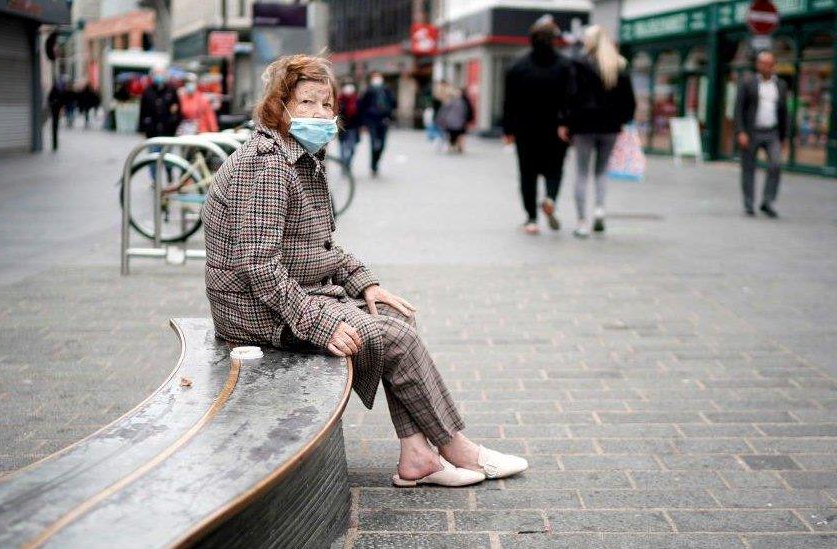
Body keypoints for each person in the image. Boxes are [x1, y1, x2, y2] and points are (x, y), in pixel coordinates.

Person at [202, 54, 528, 487]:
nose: (320, 114)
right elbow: (258, 266)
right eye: (306, 103)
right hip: (250, 310)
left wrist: (365, 283)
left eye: (325, 104)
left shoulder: (299, 157)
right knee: (389, 336)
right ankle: (456, 448)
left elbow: (319, 247)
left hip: (285, 292)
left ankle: (416, 455)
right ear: (280, 107)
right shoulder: (266, 166)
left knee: (392, 317)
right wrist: (317, 322)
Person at [562, 25, 635, 236]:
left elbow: (571, 96)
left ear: (590, 41)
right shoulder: (618, 65)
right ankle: (600, 210)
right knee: (602, 171)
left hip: (584, 126)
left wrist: (567, 122)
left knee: (582, 172)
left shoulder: (579, 64)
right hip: (610, 126)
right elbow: (628, 100)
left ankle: (582, 222)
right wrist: (623, 121)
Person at [503, 15, 573, 235]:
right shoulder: (565, 66)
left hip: (526, 130)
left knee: (527, 174)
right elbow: (571, 98)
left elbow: (509, 102)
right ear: (554, 39)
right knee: (554, 170)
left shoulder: (517, 66)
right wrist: (566, 123)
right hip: (556, 130)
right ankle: (550, 197)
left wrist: (508, 130)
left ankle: (531, 219)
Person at [734, 50, 789, 218]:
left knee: (776, 164)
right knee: (748, 168)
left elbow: (784, 113)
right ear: (758, 65)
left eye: (770, 64)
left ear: (774, 66)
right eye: (763, 63)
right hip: (751, 132)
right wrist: (741, 131)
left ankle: (767, 202)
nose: (767, 67)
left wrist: (784, 136)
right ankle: (749, 204)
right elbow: (738, 109)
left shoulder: (780, 85)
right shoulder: (748, 83)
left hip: (772, 132)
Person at [358, 71, 396, 178]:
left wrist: (389, 116)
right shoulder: (368, 90)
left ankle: (376, 161)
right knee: (374, 143)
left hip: (384, 120)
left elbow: (393, 103)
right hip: (372, 121)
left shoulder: (387, 90)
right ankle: (373, 166)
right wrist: (363, 123)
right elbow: (362, 106)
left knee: (382, 144)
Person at [137, 67, 180, 139]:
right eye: (156, 73)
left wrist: (175, 124)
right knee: (153, 149)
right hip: (152, 130)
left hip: (168, 129)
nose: (159, 75)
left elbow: (177, 109)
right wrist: (141, 128)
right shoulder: (147, 91)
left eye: (161, 73)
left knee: (166, 149)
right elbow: (142, 111)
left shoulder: (171, 90)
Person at [435, 84, 470, 153]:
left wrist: (439, 121)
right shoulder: (461, 102)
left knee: (451, 136)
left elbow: (443, 112)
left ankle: (451, 147)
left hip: (450, 123)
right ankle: (456, 147)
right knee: (457, 135)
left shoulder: (448, 102)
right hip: (458, 123)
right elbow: (465, 113)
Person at [337, 82, 361, 171]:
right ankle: (343, 165)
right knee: (342, 148)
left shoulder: (356, 100)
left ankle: (347, 163)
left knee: (352, 148)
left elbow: (360, 113)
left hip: (353, 128)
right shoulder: (339, 100)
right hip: (342, 127)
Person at [47, 79, 66, 151]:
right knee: (55, 126)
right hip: (56, 111)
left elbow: (49, 100)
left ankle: (55, 144)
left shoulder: (54, 91)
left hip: (54, 111)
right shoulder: (59, 92)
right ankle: (55, 144)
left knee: (54, 126)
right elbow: (61, 101)